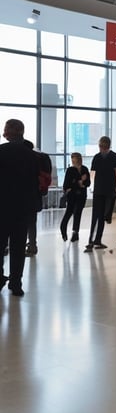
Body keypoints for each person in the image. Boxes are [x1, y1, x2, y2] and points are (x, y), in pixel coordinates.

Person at [0, 119, 41, 296]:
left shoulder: (1, 151)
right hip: (23, 208)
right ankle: (16, 283)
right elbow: (35, 184)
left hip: (3, 207)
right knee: (18, 247)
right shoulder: (32, 156)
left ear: (8, 132)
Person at [85, 136, 116, 252]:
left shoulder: (111, 157)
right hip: (102, 190)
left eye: (103, 146)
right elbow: (94, 173)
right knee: (98, 215)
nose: (102, 148)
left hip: (105, 190)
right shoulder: (106, 157)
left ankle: (95, 240)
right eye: (101, 146)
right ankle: (93, 240)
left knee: (100, 215)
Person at [23, 140, 52, 257]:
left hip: (22, 195)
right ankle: (32, 245)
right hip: (35, 195)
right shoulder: (40, 158)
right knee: (31, 222)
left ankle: (19, 245)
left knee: (19, 222)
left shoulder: (26, 160)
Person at [59, 152, 90, 242]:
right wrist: (79, 182)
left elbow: (88, 183)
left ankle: (75, 233)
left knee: (78, 213)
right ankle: (63, 229)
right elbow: (66, 185)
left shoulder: (84, 169)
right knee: (69, 212)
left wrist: (81, 183)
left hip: (82, 195)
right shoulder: (70, 170)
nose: (74, 160)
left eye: (76, 158)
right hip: (72, 195)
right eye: (73, 159)